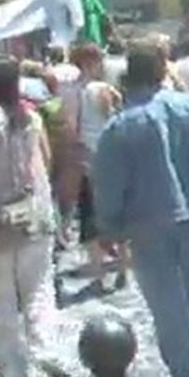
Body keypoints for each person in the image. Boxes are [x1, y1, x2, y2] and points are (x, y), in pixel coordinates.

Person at [93, 40, 189, 377]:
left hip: (146, 222)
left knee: (166, 300)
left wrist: (108, 227)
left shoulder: (120, 126)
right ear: (161, 70)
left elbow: (108, 183)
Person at [0, 57, 68, 377]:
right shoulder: (32, 119)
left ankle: (13, 370)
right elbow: (48, 161)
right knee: (39, 291)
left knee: (0, 298)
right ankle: (49, 352)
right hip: (34, 217)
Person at [72, 44, 127, 294]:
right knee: (117, 211)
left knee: (91, 215)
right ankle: (124, 266)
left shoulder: (76, 90)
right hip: (111, 154)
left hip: (87, 156)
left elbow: (73, 126)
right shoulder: (104, 89)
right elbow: (115, 116)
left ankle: (99, 273)